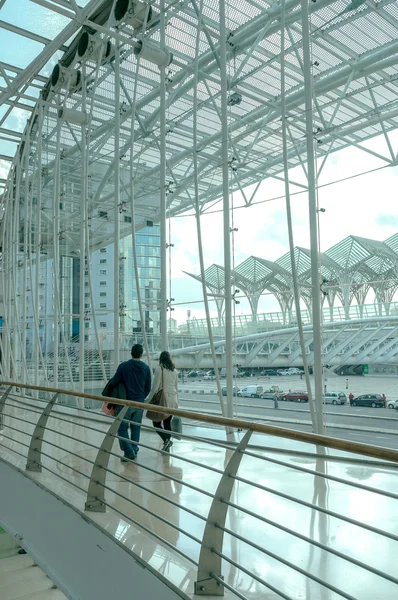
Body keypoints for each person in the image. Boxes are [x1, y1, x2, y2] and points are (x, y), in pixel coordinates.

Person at [108, 344, 151, 462]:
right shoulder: (146, 368)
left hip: (125, 402)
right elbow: (148, 387)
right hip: (139, 403)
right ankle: (134, 449)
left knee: (122, 427)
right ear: (141, 355)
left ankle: (129, 451)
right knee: (136, 427)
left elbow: (114, 381)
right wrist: (141, 397)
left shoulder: (123, 367)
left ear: (131, 353)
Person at [146, 350, 179, 453]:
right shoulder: (175, 371)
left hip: (163, 400)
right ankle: (167, 445)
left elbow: (155, 388)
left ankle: (166, 441)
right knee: (167, 423)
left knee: (156, 423)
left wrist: (148, 400)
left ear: (161, 358)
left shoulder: (160, 369)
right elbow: (177, 388)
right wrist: (178, 403)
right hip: (173, 400)